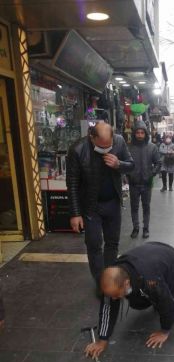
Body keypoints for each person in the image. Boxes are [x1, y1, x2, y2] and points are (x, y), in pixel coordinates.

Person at [84, 242, 174, 357]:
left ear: (126, 284)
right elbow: (108, 307)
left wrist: (164, 331)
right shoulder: (115, 276)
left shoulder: (150, 280)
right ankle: (154, 294)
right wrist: (102, 340)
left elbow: (166, 302)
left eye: (116, 295)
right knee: (138, 301)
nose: (114, 298)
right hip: (151, 260)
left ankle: (164, 293)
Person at [66, 122, 134, 296]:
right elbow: (72, 183)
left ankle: (110, 278)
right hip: (91, 206)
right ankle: (100, 282)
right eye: (101, 146)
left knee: (112, 243)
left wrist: (119, 164)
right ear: (92, 137)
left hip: (112, 202)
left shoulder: (119, 142)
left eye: (108, 146)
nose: (105, 149)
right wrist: (75, 213)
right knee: (94, 245)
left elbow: (131, 165)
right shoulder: (78, 149)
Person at [127, 121, 161, 239]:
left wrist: (152, 173)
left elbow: (158, 163)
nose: (140, 135)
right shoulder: (129, 147)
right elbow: (125, 163)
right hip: (133, 183)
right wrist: (128, 175)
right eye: (138, 132)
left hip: (147, 183)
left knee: (146, 207)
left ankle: (146, 228)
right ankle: (135, 227)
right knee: (134, 207)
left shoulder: (152, 147)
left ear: (145, 134)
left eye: (142, 132)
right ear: (134, 134)